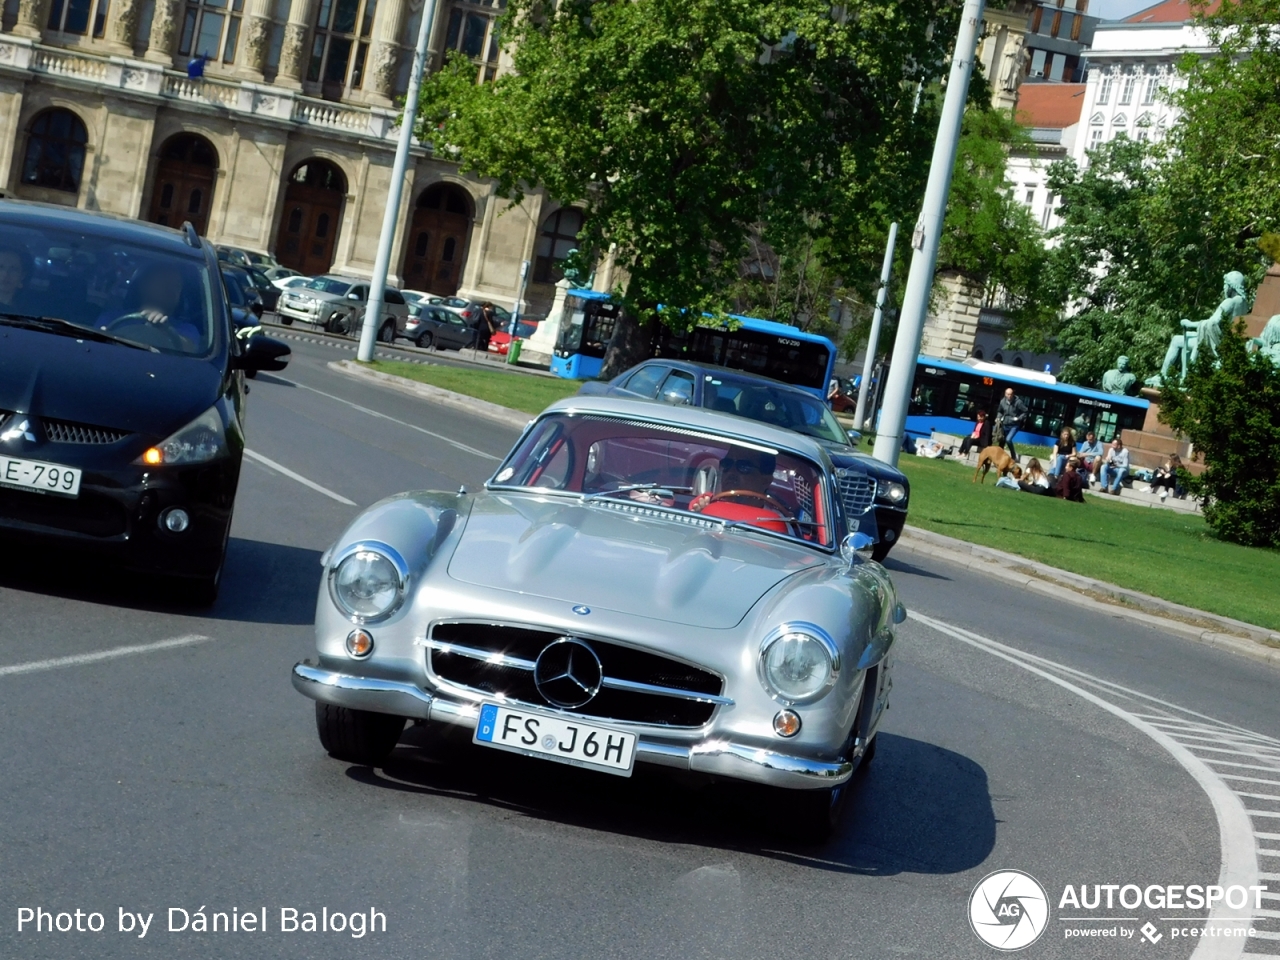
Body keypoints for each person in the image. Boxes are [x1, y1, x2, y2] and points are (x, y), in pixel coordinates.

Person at [996, 387, 1028, 461]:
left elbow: (1025, 411)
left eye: (1010, 394)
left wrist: (1019, 418)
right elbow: (1000, 411)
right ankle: (999, 458)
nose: (1009, 396)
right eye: (1007, 394)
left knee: (1008, 440)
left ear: (1013, 394)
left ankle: (1013, 456)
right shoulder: (1002, 401)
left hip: (1014, 425)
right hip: (1005, 424)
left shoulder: (1018, 402)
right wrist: (998, 417)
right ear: (1005, 394)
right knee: (1002, 441)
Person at [0, 243, 30, 312]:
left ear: (22, 276)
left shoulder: (30, 314)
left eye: (13, 269)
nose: (5, 274)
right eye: (0, 267)